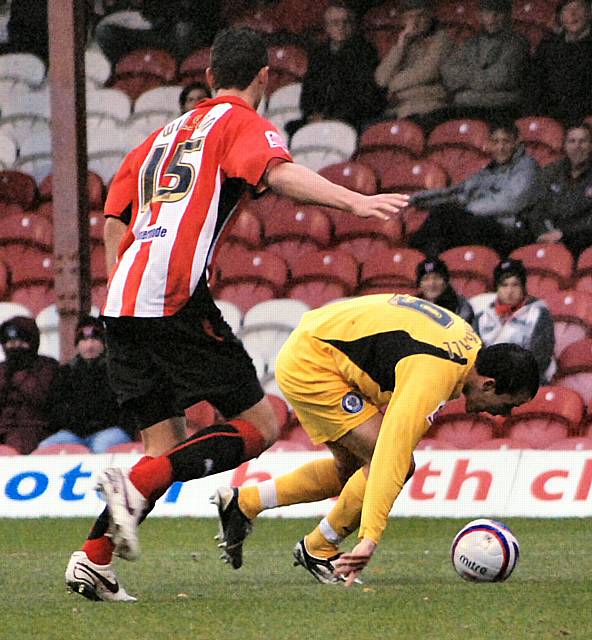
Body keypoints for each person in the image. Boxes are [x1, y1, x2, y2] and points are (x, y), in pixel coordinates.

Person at [64, 26, 408, 603]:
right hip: (170, 295)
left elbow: (113, 222)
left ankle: (93, 560)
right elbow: (278, 173)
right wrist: (355, 201)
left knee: (164, 445)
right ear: (265, 78)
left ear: (206, 76)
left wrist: (125, 287)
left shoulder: (158, 137)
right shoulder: (239, 122)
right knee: (259, 426)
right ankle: (128, 490)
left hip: (122, 300)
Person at [211, 293, 539, 585]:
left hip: (321, 344)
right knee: (393, 462)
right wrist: (370, 537)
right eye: (508, 405)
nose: (503, 415)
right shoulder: (434, 375)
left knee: (349, 470)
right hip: (314, 362)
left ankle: (244, 503)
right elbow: (390, 457)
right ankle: (318, 547)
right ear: (489, 385)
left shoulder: (467, 351)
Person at [409, 122, 542, 256]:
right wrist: (420, 199)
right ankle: (418, 260)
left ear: (516, 142)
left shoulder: (527, 167)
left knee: (445, 217)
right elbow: (459, 192)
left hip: (509, 232)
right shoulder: (487, 171)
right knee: (441, 229)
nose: (500, 148)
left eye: (506, 142)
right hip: (483, 226)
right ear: (489, 144)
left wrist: (467, 209)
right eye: (495, 142)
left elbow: (510, 203)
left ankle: (417, 259)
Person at [285, 1, 384, 137]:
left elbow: (364, 95)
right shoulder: (319, 53)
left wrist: (331, 117)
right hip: (318, 117)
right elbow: (309, 90)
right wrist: (312, 115)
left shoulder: (365, 52)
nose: (341, 27)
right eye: (335, 23)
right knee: (289, 128)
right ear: (327, 27)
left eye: (346, 22)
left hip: (350, 117)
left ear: (353, 25)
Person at [36, 316, 132, 454]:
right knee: (46, 448)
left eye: (94, 339)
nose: (89, 345)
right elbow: (56, 407)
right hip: (74, 434)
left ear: (104, 343)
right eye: (84, 340)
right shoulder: (65, 372)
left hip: (110, 430)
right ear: (77, 344)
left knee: (100, 448)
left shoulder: (116, 371)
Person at [441, 0, 530, 123]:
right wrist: (482, 76)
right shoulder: (470, 43)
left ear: (508, 15)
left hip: (501, 107)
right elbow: (449, 73)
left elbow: (502, 78)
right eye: (487, 13)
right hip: (466, 105)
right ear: (479, 16)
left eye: (497, 14)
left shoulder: (517, 43)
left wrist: (467, 77)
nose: (492, 19)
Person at [374, 0, 453, 131]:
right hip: (399, 110)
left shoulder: (442, 39)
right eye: (410, 17)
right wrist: (400, 47)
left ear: (430, 15)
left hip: (427, 107)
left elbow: (428, 72)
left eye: (420, 16)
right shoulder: (405, 43)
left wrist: (392, 86)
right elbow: (381, 79)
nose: (415, 22)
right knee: (369, 130)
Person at [474, 259, 555, 383]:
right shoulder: (482, 317)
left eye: (515, 285)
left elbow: (540, 358)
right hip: (490, 383)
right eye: (504, 285)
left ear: (523, 286)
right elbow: (475, 355)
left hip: (528, 381)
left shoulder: (538, 313)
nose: (509, 291)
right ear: (497, 288)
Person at [527, 0, 592, 127]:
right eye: (566, 10)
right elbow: (534, 83)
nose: (573, 14)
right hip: (551, 116)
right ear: (560, 17)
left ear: (589, 12)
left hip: (585, 119)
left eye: (578, 8)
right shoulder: (548, 46)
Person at [0, 316, 59, 454]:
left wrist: (18, 376)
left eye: (21, 342)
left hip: (34, 428)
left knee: (17, 442)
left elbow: (41, 398)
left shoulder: (47, 366)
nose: (15, 346)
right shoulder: (2, 369)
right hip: (4, 427)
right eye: (10, 342)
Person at [533, 122, 592, 258]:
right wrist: (543, 233)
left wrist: (564, 234)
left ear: (591, 146)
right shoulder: (551, 171)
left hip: (580, 238)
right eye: (572, 141)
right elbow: (537, 208)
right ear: (564, 146)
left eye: (583, 141)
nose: (577, 146)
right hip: (548, 233)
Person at [416, 257, 474, 324]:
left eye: (437, 278)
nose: (432, 283)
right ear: (420, 285)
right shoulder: (414, 303)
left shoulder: (460, 305)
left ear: (446, 282)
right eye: (426, 279)